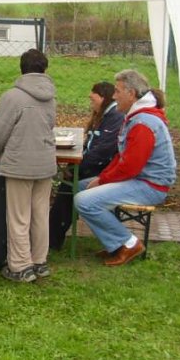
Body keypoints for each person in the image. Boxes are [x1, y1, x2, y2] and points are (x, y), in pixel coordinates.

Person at [74, 70, 176, 266]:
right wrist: (102, 177)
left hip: (150, 185)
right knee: (80, 187)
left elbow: (130, 167)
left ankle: (128, 243)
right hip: (140, 179)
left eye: (118, 91)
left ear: (131, 93)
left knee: (84, 201)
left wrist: (102, 181)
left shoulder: (143, 123)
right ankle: (115, 244)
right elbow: (122, 157)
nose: (114, 96)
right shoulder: (137, 116)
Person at [0, 49, 56, 283]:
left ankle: (20, 267)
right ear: (44, 69)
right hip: (45, 164)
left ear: (22, 68)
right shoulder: (51, 97)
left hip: (19, 165)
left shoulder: (12, 97)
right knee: (40, 215)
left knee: (19, 217)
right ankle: (39, 261)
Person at [48, 81, 124, 250]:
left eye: (93, 99)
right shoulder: (107, 116)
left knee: (68, 189)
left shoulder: (115, 118)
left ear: (103, 98)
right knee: (67, 186)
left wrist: (77, 167)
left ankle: (52, 238)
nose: (91, 102)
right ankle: (52, 236)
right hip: (98, 166)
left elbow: (102, 152)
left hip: (103, 170)